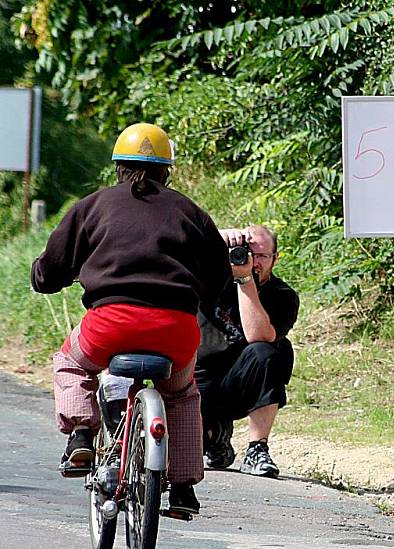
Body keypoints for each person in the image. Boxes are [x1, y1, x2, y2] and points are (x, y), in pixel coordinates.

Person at [31, 122, 231, 514]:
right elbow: (219, 278)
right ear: (167, 171)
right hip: (175, 329)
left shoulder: (92, 206)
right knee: (182, 392)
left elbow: (50, 270)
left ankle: (82, 436)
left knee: (71, 363)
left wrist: (45, 275)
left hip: (111, 325)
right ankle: (185, 484)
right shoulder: (191, 213)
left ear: (118, 167)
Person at [197, 225, 299, 478]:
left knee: (271, 351)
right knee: (186, 446)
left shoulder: (282, 295)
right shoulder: (207, 279)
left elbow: (259, 337)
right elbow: (177, 253)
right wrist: (212, 240)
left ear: (275, 258)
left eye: (262, 255)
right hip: (197, 381)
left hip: (243, 384)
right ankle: (214, 436)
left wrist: (244, 280)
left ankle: (256, 448)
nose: (254, 261)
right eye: (247, 252)